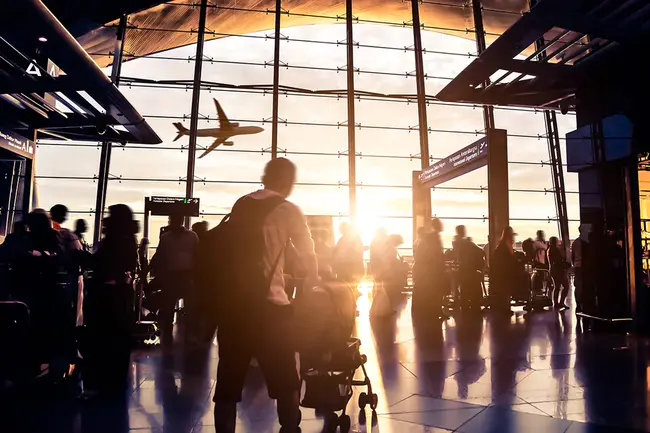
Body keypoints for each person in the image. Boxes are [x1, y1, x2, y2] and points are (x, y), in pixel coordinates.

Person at [214, 158, 318, 433]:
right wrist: (314, 283)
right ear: (287, 181)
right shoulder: (288, 210)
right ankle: (289, 429)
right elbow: (309, 254)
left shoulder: (241, 203)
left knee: (227, 385)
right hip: (270, 309)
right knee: (286, 382)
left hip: (233, 311)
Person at [83, 204, 139, 398]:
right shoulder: (129, 239)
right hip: (121, 297)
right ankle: (115, 382)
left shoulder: (114, 240)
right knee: (118, 339)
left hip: (107, 297)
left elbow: (100, 262)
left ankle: (101, 384)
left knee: (103, 338)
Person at [150, 213, 199, 351]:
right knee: (174, 307)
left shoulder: (187, 236)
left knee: (174, 306)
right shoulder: (189, 237)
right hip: (178, 275)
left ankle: (172, 338)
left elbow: (159, 256)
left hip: (180, 275)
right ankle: (182, 337)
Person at [412, 218, 446, 320]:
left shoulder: (431, 237)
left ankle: (437, 311)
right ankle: (437, 311)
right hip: (433, 270)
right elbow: (435, 255)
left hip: (431, 269)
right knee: (436, 291)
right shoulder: (434, 237)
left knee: (435, 291)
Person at [490, 227, 518, 315]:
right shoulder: (506, 246)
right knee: (506, 290)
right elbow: (510, 260)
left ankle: (504, 308)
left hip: (501, 273)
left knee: (504, 291)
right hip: (505, 273)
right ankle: (505, 309)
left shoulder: (500, 246)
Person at [332, 223, 365, 288]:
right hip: (352, 266)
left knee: (346, 286)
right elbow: (359, 252)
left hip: (346, 266)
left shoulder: (342, 240)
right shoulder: (356, 239)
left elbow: (337, 254)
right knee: (352, 286)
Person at [548, 236, 570, 310]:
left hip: (553, 271)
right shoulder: (555, 250)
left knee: (557, 287)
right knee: (566, 286)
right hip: (559, 271)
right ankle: (561, 302)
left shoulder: (549, 250)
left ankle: (556, 303)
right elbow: (559, 262)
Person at [571, 225, 589, 313]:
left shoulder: (575, 242)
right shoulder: (586, 242)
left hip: (577, 266)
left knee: (578, 287)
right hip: (585, 267)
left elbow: (572, 256)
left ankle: (578, 305)